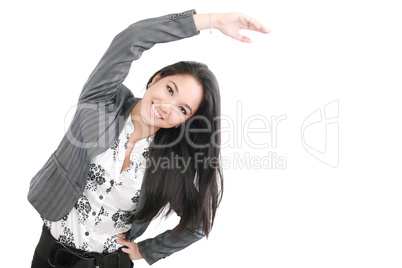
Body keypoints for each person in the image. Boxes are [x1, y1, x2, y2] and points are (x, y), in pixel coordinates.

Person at [28, 9, 270, 268]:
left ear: (185, 121)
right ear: (157, 78)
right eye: (169, 89)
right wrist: (212, 21)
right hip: (51, 257)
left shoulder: (171, 162)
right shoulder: (100, 102)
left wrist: (146, 250)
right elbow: (133, 38)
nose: (167, 106)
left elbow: (198, 224)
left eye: (182, 109)